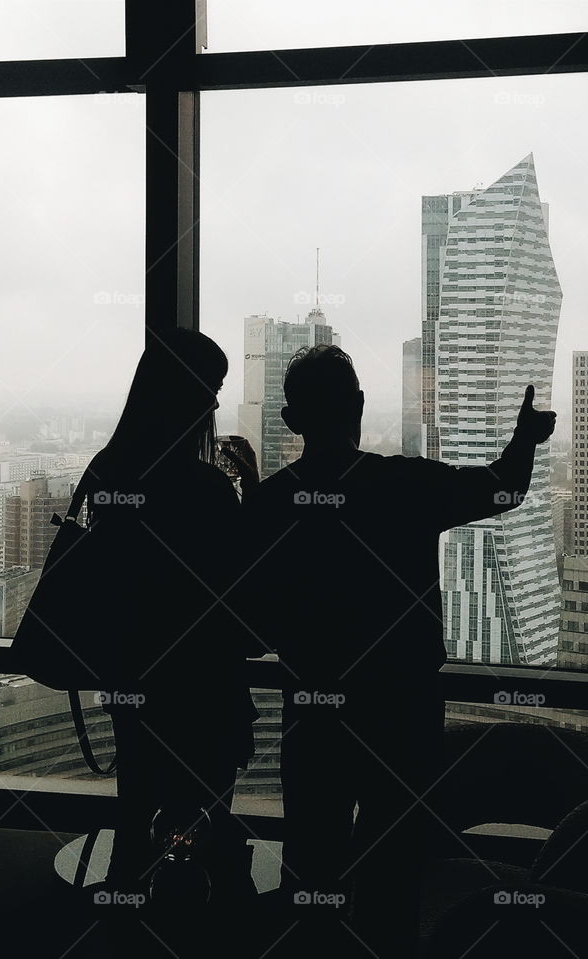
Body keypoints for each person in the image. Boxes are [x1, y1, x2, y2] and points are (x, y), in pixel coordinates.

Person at [236, 344, 556, 957]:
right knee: (395, 869)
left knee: (313, 865)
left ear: (290, 420)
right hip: (402, 710)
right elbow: (503, 491)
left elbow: (253, 623)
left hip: (315, 710)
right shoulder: (404, 483)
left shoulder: (272, 504)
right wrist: (525, 439)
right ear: (358, 405)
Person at [82, 328, 259, 909]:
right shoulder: (203, 487)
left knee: (136, 811)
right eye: (210, 390)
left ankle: (126, 915)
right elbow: (238, 585)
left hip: (134, 676)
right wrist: (249, 490)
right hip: (203, 684)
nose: (213, 404)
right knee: (206, 825)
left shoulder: (108, 471)